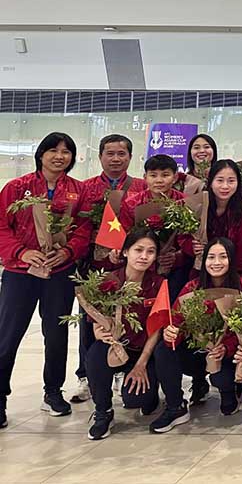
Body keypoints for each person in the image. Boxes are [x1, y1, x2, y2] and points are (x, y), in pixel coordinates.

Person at [0, 132, 92, 429]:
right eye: (53, 150)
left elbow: (84, 230)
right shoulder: (17, 188)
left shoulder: (78, 191)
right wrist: (22, 252)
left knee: (57, 334)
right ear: (41, 154)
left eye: (66, 151)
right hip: (20, 272)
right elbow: (2, 227)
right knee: (8, 335)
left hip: (59, 272)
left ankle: (53, 392)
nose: (59, 156)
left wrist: (66, 251)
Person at [151, 237, 242, 432]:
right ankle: (175, 406)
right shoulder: (192, 288)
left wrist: (227, 347)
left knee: (223, 380)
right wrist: (171, 334)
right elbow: (177, 320)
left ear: (232, 260)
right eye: (211, 257)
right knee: (162, 351)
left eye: (223, 257)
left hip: (227, 356)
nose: (216, 263)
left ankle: (229, 391)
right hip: (198, 351)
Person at [73, 133, 147, 404]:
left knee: (129, 318)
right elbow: (76, 227)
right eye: (110, 153)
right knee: (90, 322)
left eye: (121, 154)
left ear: (130, 157)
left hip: (132, 269)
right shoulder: (86, 188)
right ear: (100, 156)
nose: (116, 159)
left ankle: (121, 368)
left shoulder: (140, 187)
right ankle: (87, 376)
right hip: (94, 268)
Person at [85, 228, 164, 440]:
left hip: (143, 352)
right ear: (126, 252)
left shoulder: (159, 284)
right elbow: (95, 321)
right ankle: (103, 412)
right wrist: (101, 332)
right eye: (138, 250)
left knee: (136, 401)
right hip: (116, 346)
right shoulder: (107, 281)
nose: (144, 256)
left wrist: (141, 365)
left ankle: (152, 396)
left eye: (150, 251)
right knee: (94, 355)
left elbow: (156, 329)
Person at [118, 154, 194, 299]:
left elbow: (190, 239)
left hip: (175, 269)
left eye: (165, 175)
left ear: (175, 177)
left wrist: (177, 257)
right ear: (145, 177)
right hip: (141, 266)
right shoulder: (131, 204)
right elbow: (125, 236)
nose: (159, 180)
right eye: (153, 175)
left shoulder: (185, 203)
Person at [183, 160, 242, 279]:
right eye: (219, 180)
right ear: (211, 182)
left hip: (235, 272)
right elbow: (183, 236)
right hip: (201, 268)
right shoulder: (198, 204)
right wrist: (193, 247)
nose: (225, 186)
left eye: (231, 181)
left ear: (238, 183)